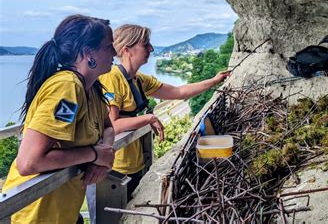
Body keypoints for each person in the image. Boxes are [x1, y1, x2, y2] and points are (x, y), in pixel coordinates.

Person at [2, 15, 117, 224]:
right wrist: (93, 154)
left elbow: (109, 127)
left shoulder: (91, 89)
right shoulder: (67, 87)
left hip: (66, 212)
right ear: (88, 53)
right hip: (37, 214)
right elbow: (29, 162)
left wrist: (103, 155)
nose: (115, 53)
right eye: (109, 47)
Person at [99, 24, 230, 199]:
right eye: (145, 44)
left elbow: (178, 92)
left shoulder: (137, 79)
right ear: (127, 50)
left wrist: (214, 81)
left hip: (134, 164)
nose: (151, 48)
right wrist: (149, 118)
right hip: (115, 168)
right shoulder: (111, 78)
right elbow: (113, 124)